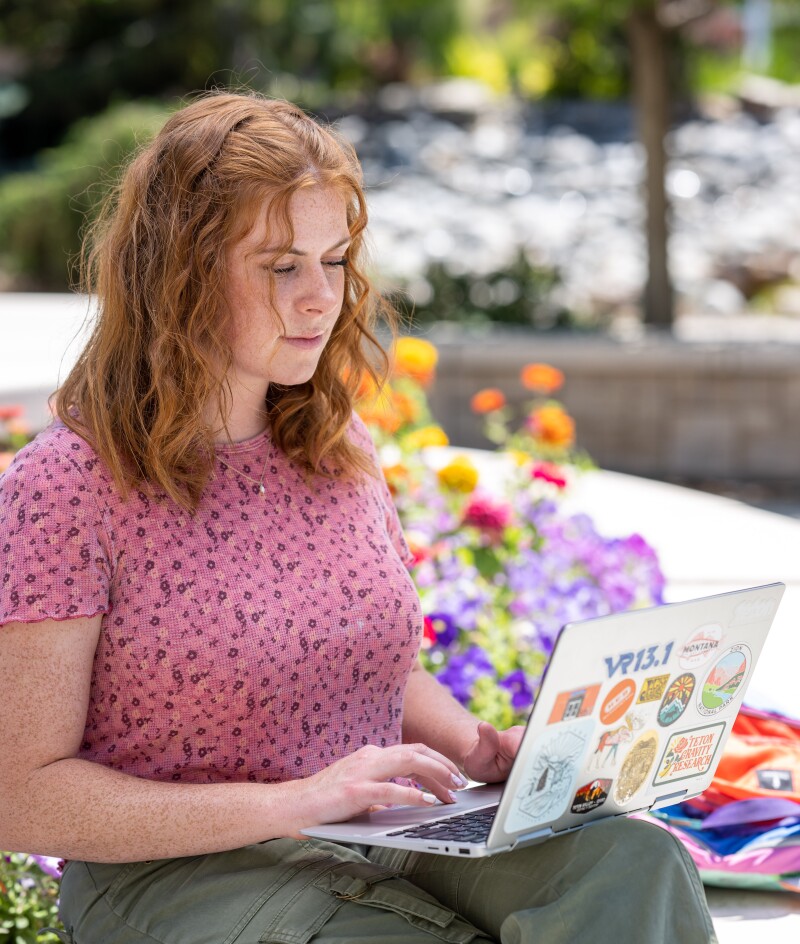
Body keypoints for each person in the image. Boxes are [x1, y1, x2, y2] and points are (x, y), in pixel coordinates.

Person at [0, 91, 718, 944]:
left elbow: (354, 658)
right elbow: (20, 794)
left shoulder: (334, 440)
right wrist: (296, 802)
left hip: (374, 829)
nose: (320, 299)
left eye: (334, 261)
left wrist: (479, 747)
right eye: (280, 266)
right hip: (179, 875)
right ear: (179, 273)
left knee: (632, 865)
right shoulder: (70, 484)